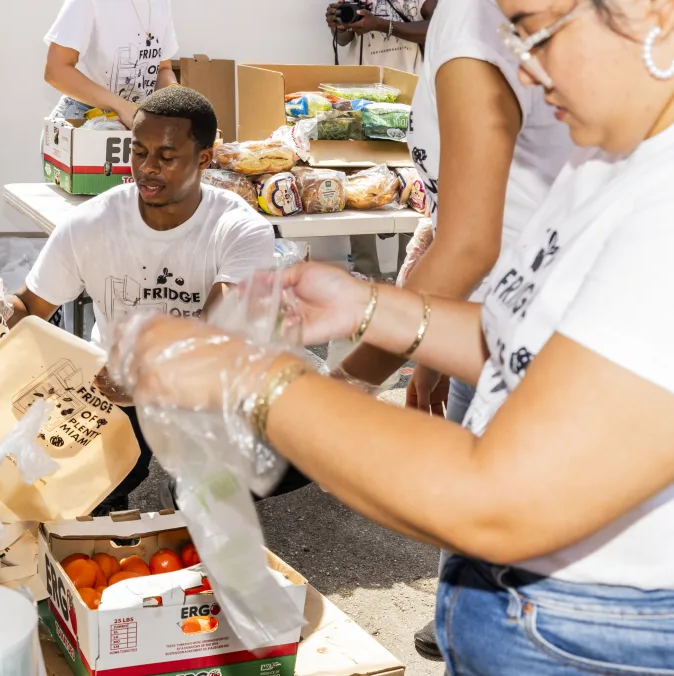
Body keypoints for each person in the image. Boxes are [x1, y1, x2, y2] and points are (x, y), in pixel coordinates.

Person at [109, 0, 674, 668]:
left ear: (651, 15)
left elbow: (500, 500)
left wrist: (260, 379)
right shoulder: (607, 162)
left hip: (593, 628)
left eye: (533, 31)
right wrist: (370, 307)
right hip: (524, 603)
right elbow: (530, 343)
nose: (525, 68)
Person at [335, 0, 573, 657]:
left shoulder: (475, 20)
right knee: (474, 567)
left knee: (509, 600)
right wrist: (427, 345)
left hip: (534, 339)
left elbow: (470, 241)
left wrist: (343, 386)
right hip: (491, 322)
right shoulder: (461, 21)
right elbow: (454, 211)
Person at [10, 87, 275, 515]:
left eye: (166, 157)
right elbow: (30, 307)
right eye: (138, 152)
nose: (147, 169)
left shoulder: (240, 229)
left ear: (204, 159)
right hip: (112, 388)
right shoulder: (91, 223)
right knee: (87, 497)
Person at [327, 0, 435, 278]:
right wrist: (339, 25)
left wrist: (380, 24)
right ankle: (365, 275)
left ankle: (407, 275)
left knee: (409, 186)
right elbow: (345, 38)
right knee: (358, 184)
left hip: (406, 99)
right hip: (359, 98)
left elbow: (437, 28)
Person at [44, 0, 179, 128]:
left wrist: (175, 95)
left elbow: (162, 69)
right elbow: (56, 71)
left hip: (137, 123)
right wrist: (122, 107)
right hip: (84, 119)